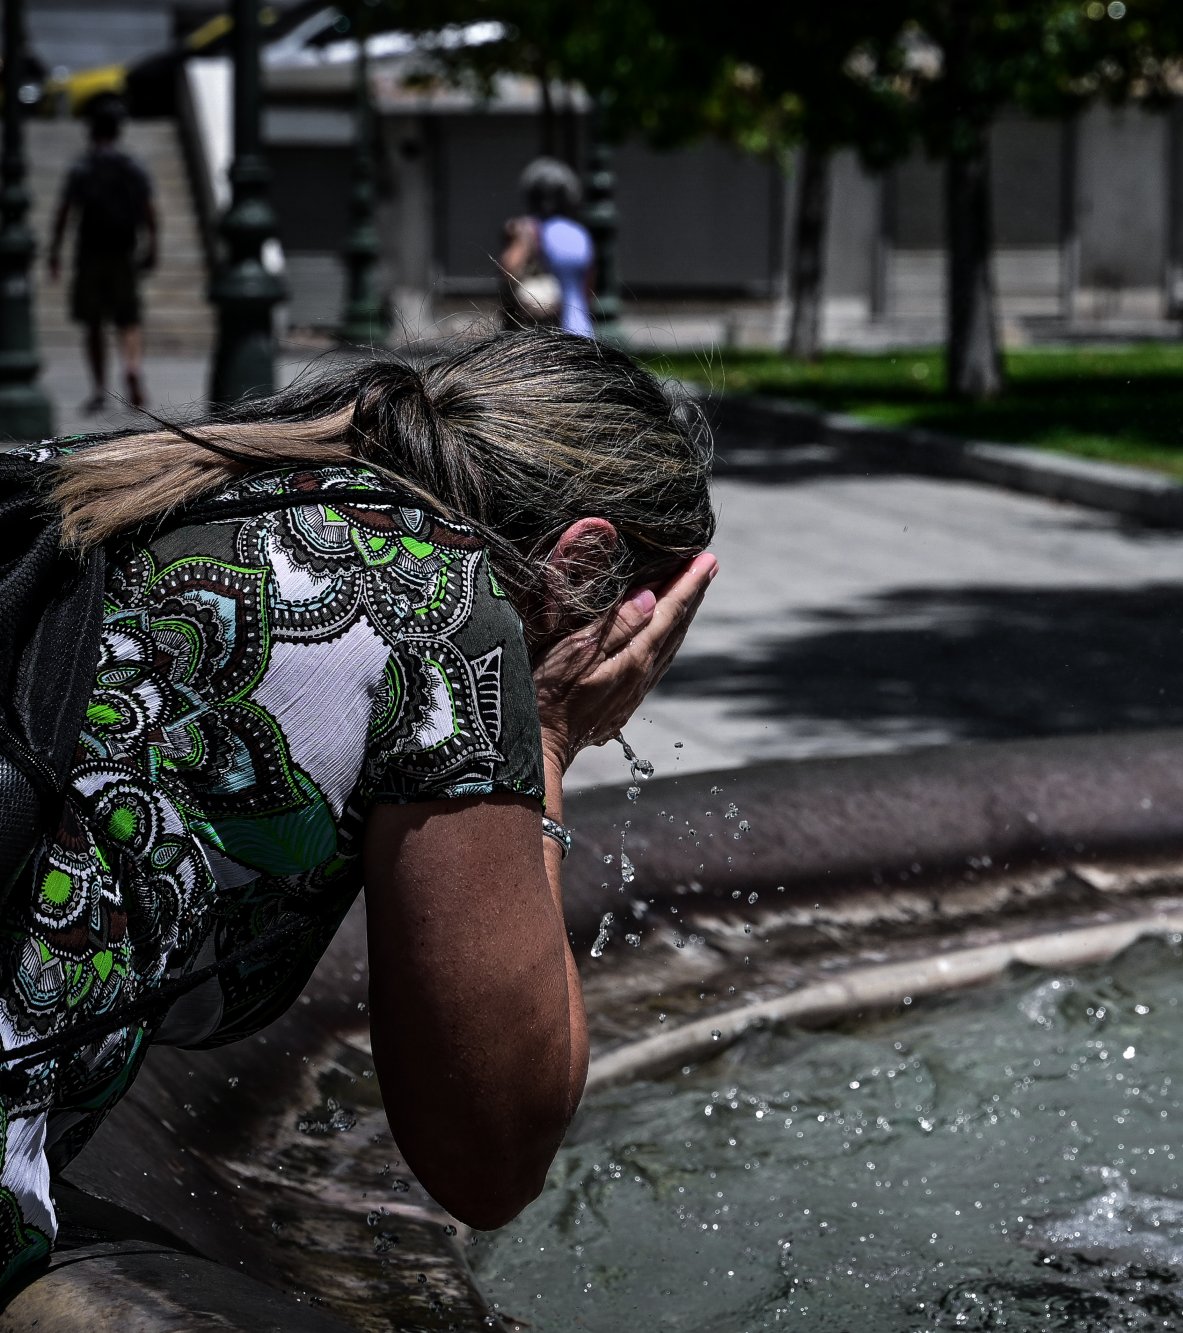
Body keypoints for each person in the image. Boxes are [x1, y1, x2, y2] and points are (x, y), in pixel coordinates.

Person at [0, 329, 716, 1294]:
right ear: (584, 572)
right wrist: (543, 738)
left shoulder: (181, 481)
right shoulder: (437, 610)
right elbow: (490, 1156)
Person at [47, 99, 158, 414]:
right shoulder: (132, 165)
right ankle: (132, 366)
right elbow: (149, 211)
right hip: (123, 251)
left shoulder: (82, 166)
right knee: (130, 319)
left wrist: (55, 251)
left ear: (91, 131)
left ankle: (98, 388)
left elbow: (64, 211)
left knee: (93, 323)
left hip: (90, 254)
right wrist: (152, 246)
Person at [499, 158, 595, 338]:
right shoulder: (580, 234)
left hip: (547, 334)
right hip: (583, 329)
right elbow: (589, 287)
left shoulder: (529, 229)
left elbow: (508, 270)